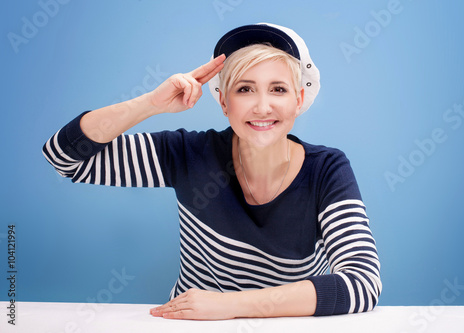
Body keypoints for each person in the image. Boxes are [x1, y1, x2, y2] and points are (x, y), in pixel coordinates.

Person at [42, 23, 382, 320]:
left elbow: (363, 282)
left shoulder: (326, 170)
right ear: (223, 102)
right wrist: (151, 104)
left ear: (298, 99)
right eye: (244, 89)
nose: (262, 106)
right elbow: (65, 157)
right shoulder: (188, 154)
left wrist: (230, 305)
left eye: (277, 89)